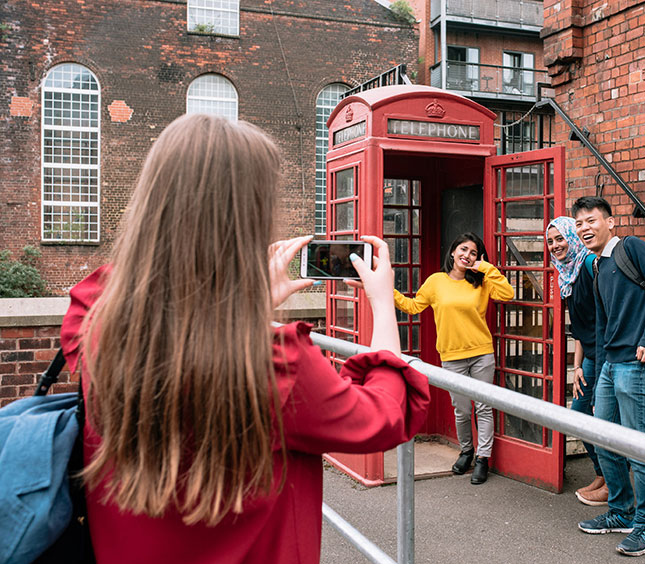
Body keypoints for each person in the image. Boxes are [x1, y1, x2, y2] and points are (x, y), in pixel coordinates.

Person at [58, 114, 430, 564]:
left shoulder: (96, 316)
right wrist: (383, 302)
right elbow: (386, 415)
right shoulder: (275, 365)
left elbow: (174, 316)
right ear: (246, 221)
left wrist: (247, 301)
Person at [572, 196, 645, 557]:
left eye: (591, 221)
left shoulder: (631, 248)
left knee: (637, 445)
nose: (585, 228)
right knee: (603, 438)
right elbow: (603, 324)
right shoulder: (596, 267)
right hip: (610, 364)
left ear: (610, 223)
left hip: (638, 363)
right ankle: (621, 512)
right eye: (580, 225)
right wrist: (600, 363)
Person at [393, 232, 514, 485]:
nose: (466, 256)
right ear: (452, 252)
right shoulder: (436, 281)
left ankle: (483, 458)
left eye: (472, 253)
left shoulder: (481, 281)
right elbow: (412, 306)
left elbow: (507, 294)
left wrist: (487, 267)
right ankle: (467, 451)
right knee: (461, 410)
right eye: (463, 250)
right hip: (452, 356)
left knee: (483, 408)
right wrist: (385, 289)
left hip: (481, 353)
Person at [545, 216, 607, 506]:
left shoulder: (588, 266)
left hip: (606, 354)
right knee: (581, 417)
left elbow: (603, 318)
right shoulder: (565, 272)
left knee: (591, 418)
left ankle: (612, 481)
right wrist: (577, 366)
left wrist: (600, 365)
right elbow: (579, 326)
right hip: (590, 356)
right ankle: (603, 475)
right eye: (551, 241)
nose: (555, 245)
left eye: (560, 238)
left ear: (572, 235)